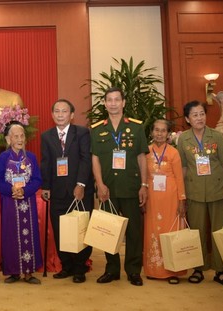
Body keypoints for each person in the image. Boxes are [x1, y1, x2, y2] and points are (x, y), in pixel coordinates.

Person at [90, 86, 149, 286]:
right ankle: (112, 269)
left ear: (123, 103)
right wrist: (99, 184)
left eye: (117, 100)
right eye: (110, 100)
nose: (113, 103)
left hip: (131, 186)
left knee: (134, 231)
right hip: (108, 188)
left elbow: (142, 158)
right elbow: (95, 159)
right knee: (109, 230)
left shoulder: (136, 127)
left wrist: (143, 184)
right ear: (105, 104)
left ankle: (133, 270)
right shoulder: (97, 129)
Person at [177, 100, 223, 286]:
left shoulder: (217, 136)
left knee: (218, 232)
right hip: (194, 192)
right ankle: (198, 269)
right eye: (194, 115)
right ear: (187, 119)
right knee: (197, 232)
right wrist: (182, 196)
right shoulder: (183, 139)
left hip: (218, 191)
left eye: (202, 113)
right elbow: (183, 169)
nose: (199, 118)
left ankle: (220, 271)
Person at [40, 99, 94, 283]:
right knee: (60, 230)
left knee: (80, 230)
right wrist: (46, 186)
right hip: (57, 192)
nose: (60, 114)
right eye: (57, 111)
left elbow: (86, 159)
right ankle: (67, 265)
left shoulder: (82, 133)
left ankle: (80, 267)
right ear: (52, 115)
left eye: (64, 111)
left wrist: (81, 184)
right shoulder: (46, 136)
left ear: (71, 115)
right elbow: (46, 162)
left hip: (79, 191)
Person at [0, 121, 43, 284]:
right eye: (16, 136)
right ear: (8, 139)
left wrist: (25, 190)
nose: (20, 139)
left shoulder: (32, 158)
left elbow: (37, 179)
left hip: (28, 201)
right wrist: (11, 190)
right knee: (10, 235)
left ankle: (29, 272)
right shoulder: (3, 158)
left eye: (22, 136)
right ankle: (13, 271)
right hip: (9, 202)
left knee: (30, 234)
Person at [143, 119, 187, 284]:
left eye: (163, 131)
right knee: (152, 231)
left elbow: (179, 178)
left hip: (171, 198)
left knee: (170, 232)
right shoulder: (146, 151)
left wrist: (182, 199)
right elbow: (144, 177)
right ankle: (153, 269)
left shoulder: (173, 153)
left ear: (168, 134)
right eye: (156, 130)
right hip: (152, 198)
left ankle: (172, 271)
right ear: (151, 132)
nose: (159, 133)